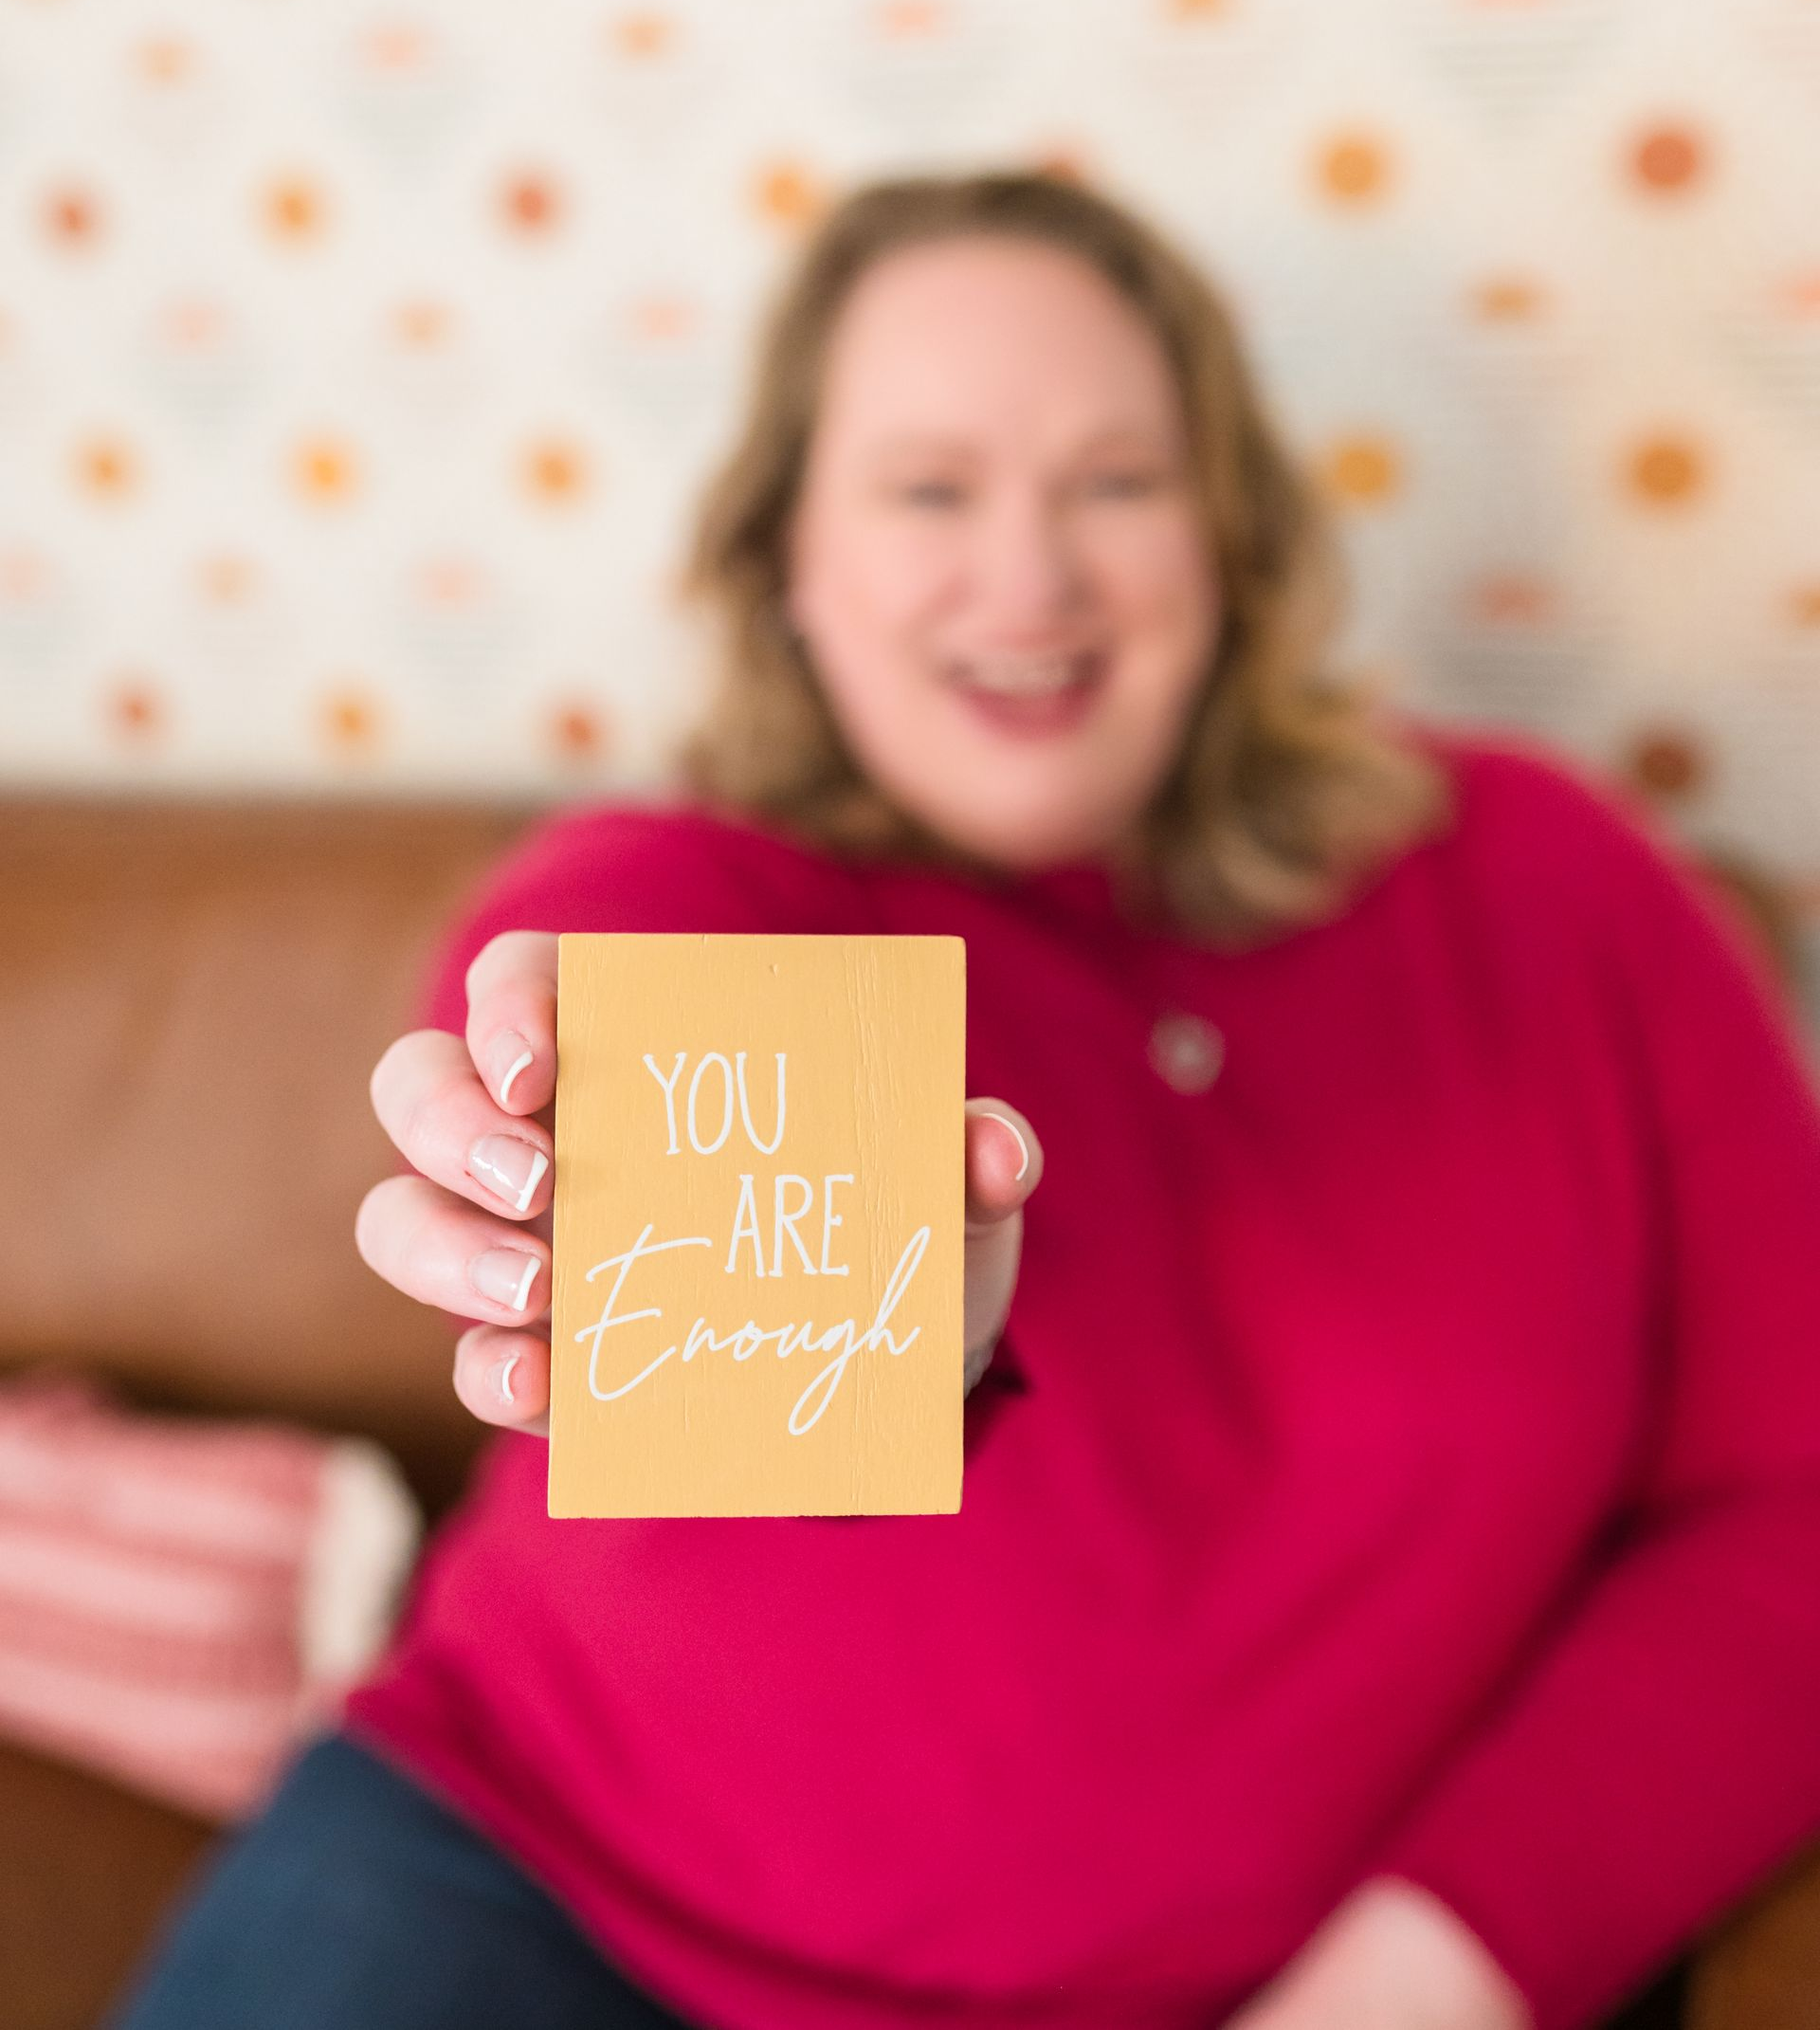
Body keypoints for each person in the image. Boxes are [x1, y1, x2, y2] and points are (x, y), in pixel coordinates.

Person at [111, 171, 1820, 2030]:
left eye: (1114, 481)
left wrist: (1430, 1968)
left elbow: (1789, 1500)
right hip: (520, 1891)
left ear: (1228, 540)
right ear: (792, 561)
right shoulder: (680, 901)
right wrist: (847, 1330)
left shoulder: (1560, 896)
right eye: (929, 488)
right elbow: (592, 1021)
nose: (1029, 576)